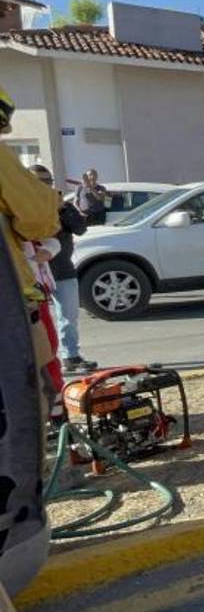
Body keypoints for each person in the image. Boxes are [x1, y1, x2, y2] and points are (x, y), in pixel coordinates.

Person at [0, 85, 63, 425]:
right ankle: (36, 477)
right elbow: (37, 220)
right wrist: (52, 202)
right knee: (26, 399)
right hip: (8, 305)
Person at [31, 165, 97, 372]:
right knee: (38, 322)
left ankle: (71, 356)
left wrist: (60, 208)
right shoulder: (23, 205)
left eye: (48, 181)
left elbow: (80, 228)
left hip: (63, 270)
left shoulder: (62, 205)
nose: (44, 185)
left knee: (69, 316)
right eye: (38, 181)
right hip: (35, 274)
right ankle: (44, 363)